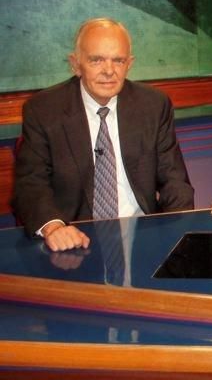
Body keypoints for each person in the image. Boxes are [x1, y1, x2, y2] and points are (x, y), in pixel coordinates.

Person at [13, 18, 194, 252]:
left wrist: (177, 234)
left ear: (129, 64)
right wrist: (54, 228)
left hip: (144, 237)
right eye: (96, 60)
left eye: (118, 60)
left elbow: (175, 181)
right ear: (75, 64)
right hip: (74, 238)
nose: (109, 71)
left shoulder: (154, 105)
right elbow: (31, 183)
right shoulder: (44, 110)